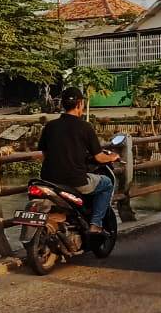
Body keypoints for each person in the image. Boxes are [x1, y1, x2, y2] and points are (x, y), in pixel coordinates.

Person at [38, 88, 121, 234]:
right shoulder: (85, 127)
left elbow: (45, 153)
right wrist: (113, 157)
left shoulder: (50, 126)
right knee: (107, 183)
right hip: (75, 181)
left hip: (48, 179)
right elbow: (99, 157)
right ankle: (95, 224)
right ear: (79, 104)